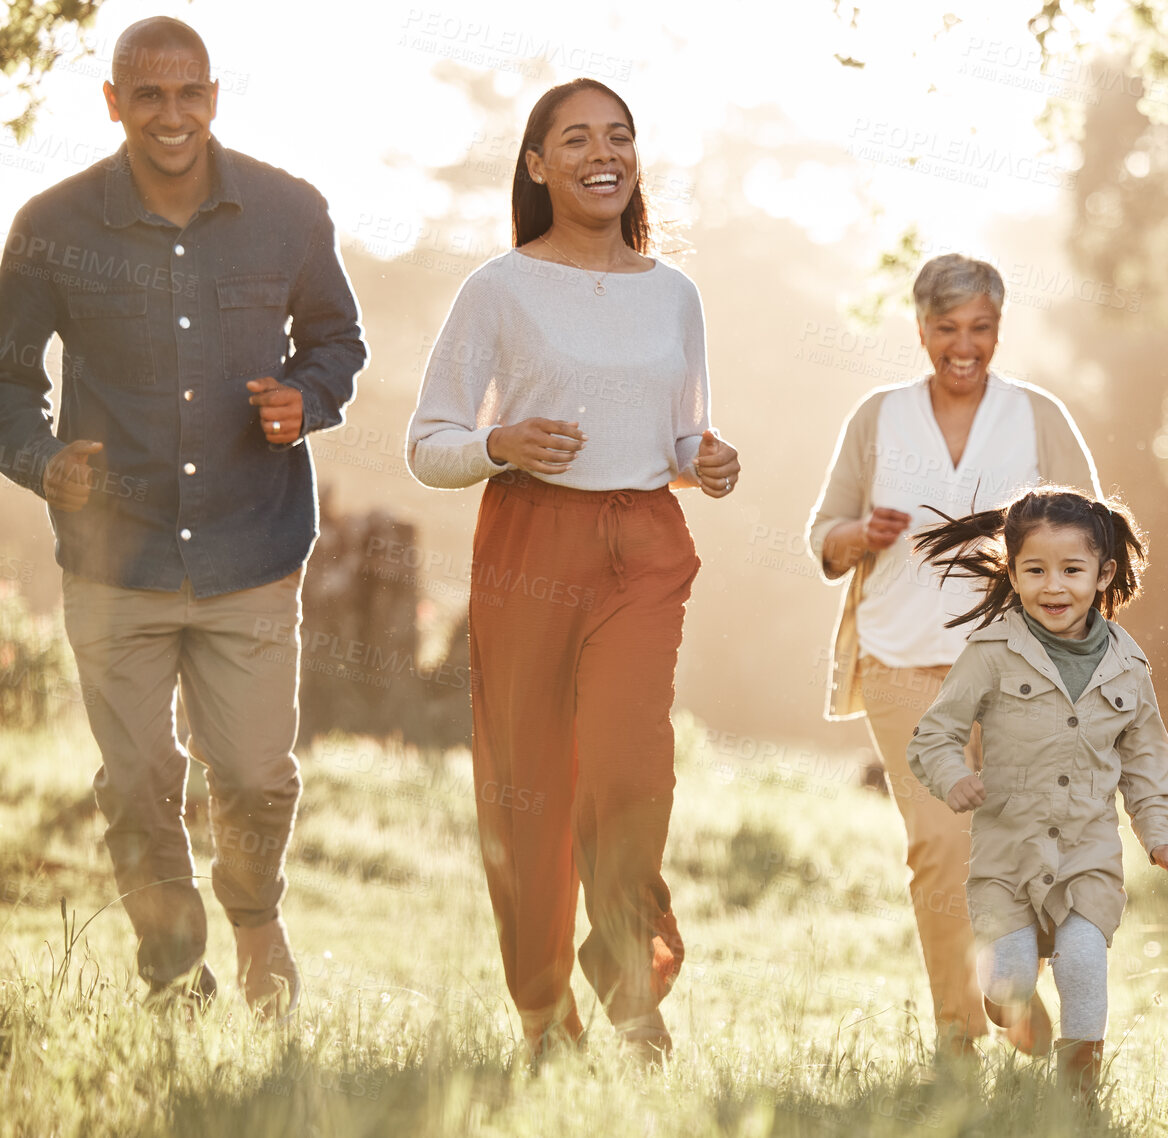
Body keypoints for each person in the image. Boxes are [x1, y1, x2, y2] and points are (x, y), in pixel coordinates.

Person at [0, 17, 366, 1016]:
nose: (173, 114)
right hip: (115, 558)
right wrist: (39, 461)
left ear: (214, 95)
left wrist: (307, 396)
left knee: (251, 773)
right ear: (113, 102)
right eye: (148, 96)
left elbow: (336, 338)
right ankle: (172, 973)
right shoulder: (52, 225)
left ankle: (255, 918)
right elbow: (3, 379)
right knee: (136, 781)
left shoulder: (287, 211)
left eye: (189, 93)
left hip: (253, 543)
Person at [406, 77, 739, 1061]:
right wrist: (499, 440)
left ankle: (628, 974)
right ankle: (542, 1011)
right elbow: (429, 444)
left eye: (620, 137)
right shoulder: (499, 288)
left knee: (633, 768)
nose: (605, 153)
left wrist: (710, 462)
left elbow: (683, 441)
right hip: (528, 545)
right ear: (537, 163)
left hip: (642, 547)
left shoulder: (675, 293)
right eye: (578, 138)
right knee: (530, 779)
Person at [805, 253, 1100, 1056]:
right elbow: (822, 534)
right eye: (946, 330)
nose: (964, 347)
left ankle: (1011, 983)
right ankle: (957, 1034)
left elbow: (1092, 536)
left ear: (1000, 327)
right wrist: (857, 535)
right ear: (921, 328)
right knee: (940, 848)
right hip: (902, 663)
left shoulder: (1037, 416)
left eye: (981, 329)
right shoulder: (878, 417)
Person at [905, 487, 1168, 1095]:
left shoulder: (1129, 665)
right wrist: (953, 775)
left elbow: (1146, 762)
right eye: (1035, 570)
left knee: (1086, 960)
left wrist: (1160, 838)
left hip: (1088, 854)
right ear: (1011, 572)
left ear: (1104, 572)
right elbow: (933, 736)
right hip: (1008, 857)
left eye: (1072, 570)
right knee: (1010, 983)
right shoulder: (990, 653)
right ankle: (1010, 1002)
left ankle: (1078, 1095)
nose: (1054, 586)